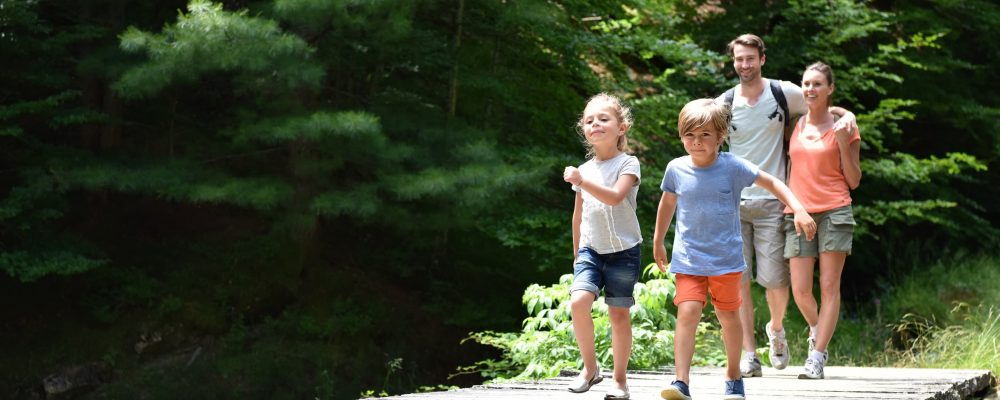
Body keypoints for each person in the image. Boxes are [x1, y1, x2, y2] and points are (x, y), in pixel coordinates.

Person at [654, 99, 816, 400]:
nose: (697, 142)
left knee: (729, 318)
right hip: (688, 259)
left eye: (705, 135)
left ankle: (733, 376)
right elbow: (667, 203)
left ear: (721, 136)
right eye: (690, 134)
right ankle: (681, 382)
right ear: (681, 135)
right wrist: (658, 239)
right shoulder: (676, 169)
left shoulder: (732, 166)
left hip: (726, 261)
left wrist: (798, 209)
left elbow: (772, 182)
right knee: (687, 312)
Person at [716, 33, 857, 377]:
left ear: (762, 59)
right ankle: (750, 354)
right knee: (741, 281)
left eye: (750, 58)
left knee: (777, 284)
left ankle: (782, 332)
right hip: (737, 202)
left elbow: (819, 104)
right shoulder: (724, 102)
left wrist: (847, 114)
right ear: (733, 62)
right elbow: (699, 135)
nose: (744, 64)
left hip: (777, 203)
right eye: (739, 59)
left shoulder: (783, 93)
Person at [784, 62, 862, 379]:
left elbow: (854, 180)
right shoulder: (794, 125)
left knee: (829, 286)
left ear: (830, 88)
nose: (810, 89)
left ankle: (816, 357)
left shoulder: (845, 128)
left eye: (818, 84)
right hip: (799, 212)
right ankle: (819, 331)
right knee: (800, 290)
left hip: (835, 210)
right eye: (806, 84)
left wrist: (843, 139)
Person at [562, 93, 641, 400]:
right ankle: (591, 369)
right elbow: (578, 214)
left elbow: (614, 196)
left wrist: (581, 181)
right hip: (590, 251)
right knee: (578, 302)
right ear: (584, 129)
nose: (595, 123)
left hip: (624, 252)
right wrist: (576, 253)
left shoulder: (628, 163)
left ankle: (620, 381)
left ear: (621, 127)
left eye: (603, 118)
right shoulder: (586, 169)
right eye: (589, 120)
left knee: (618, 314)